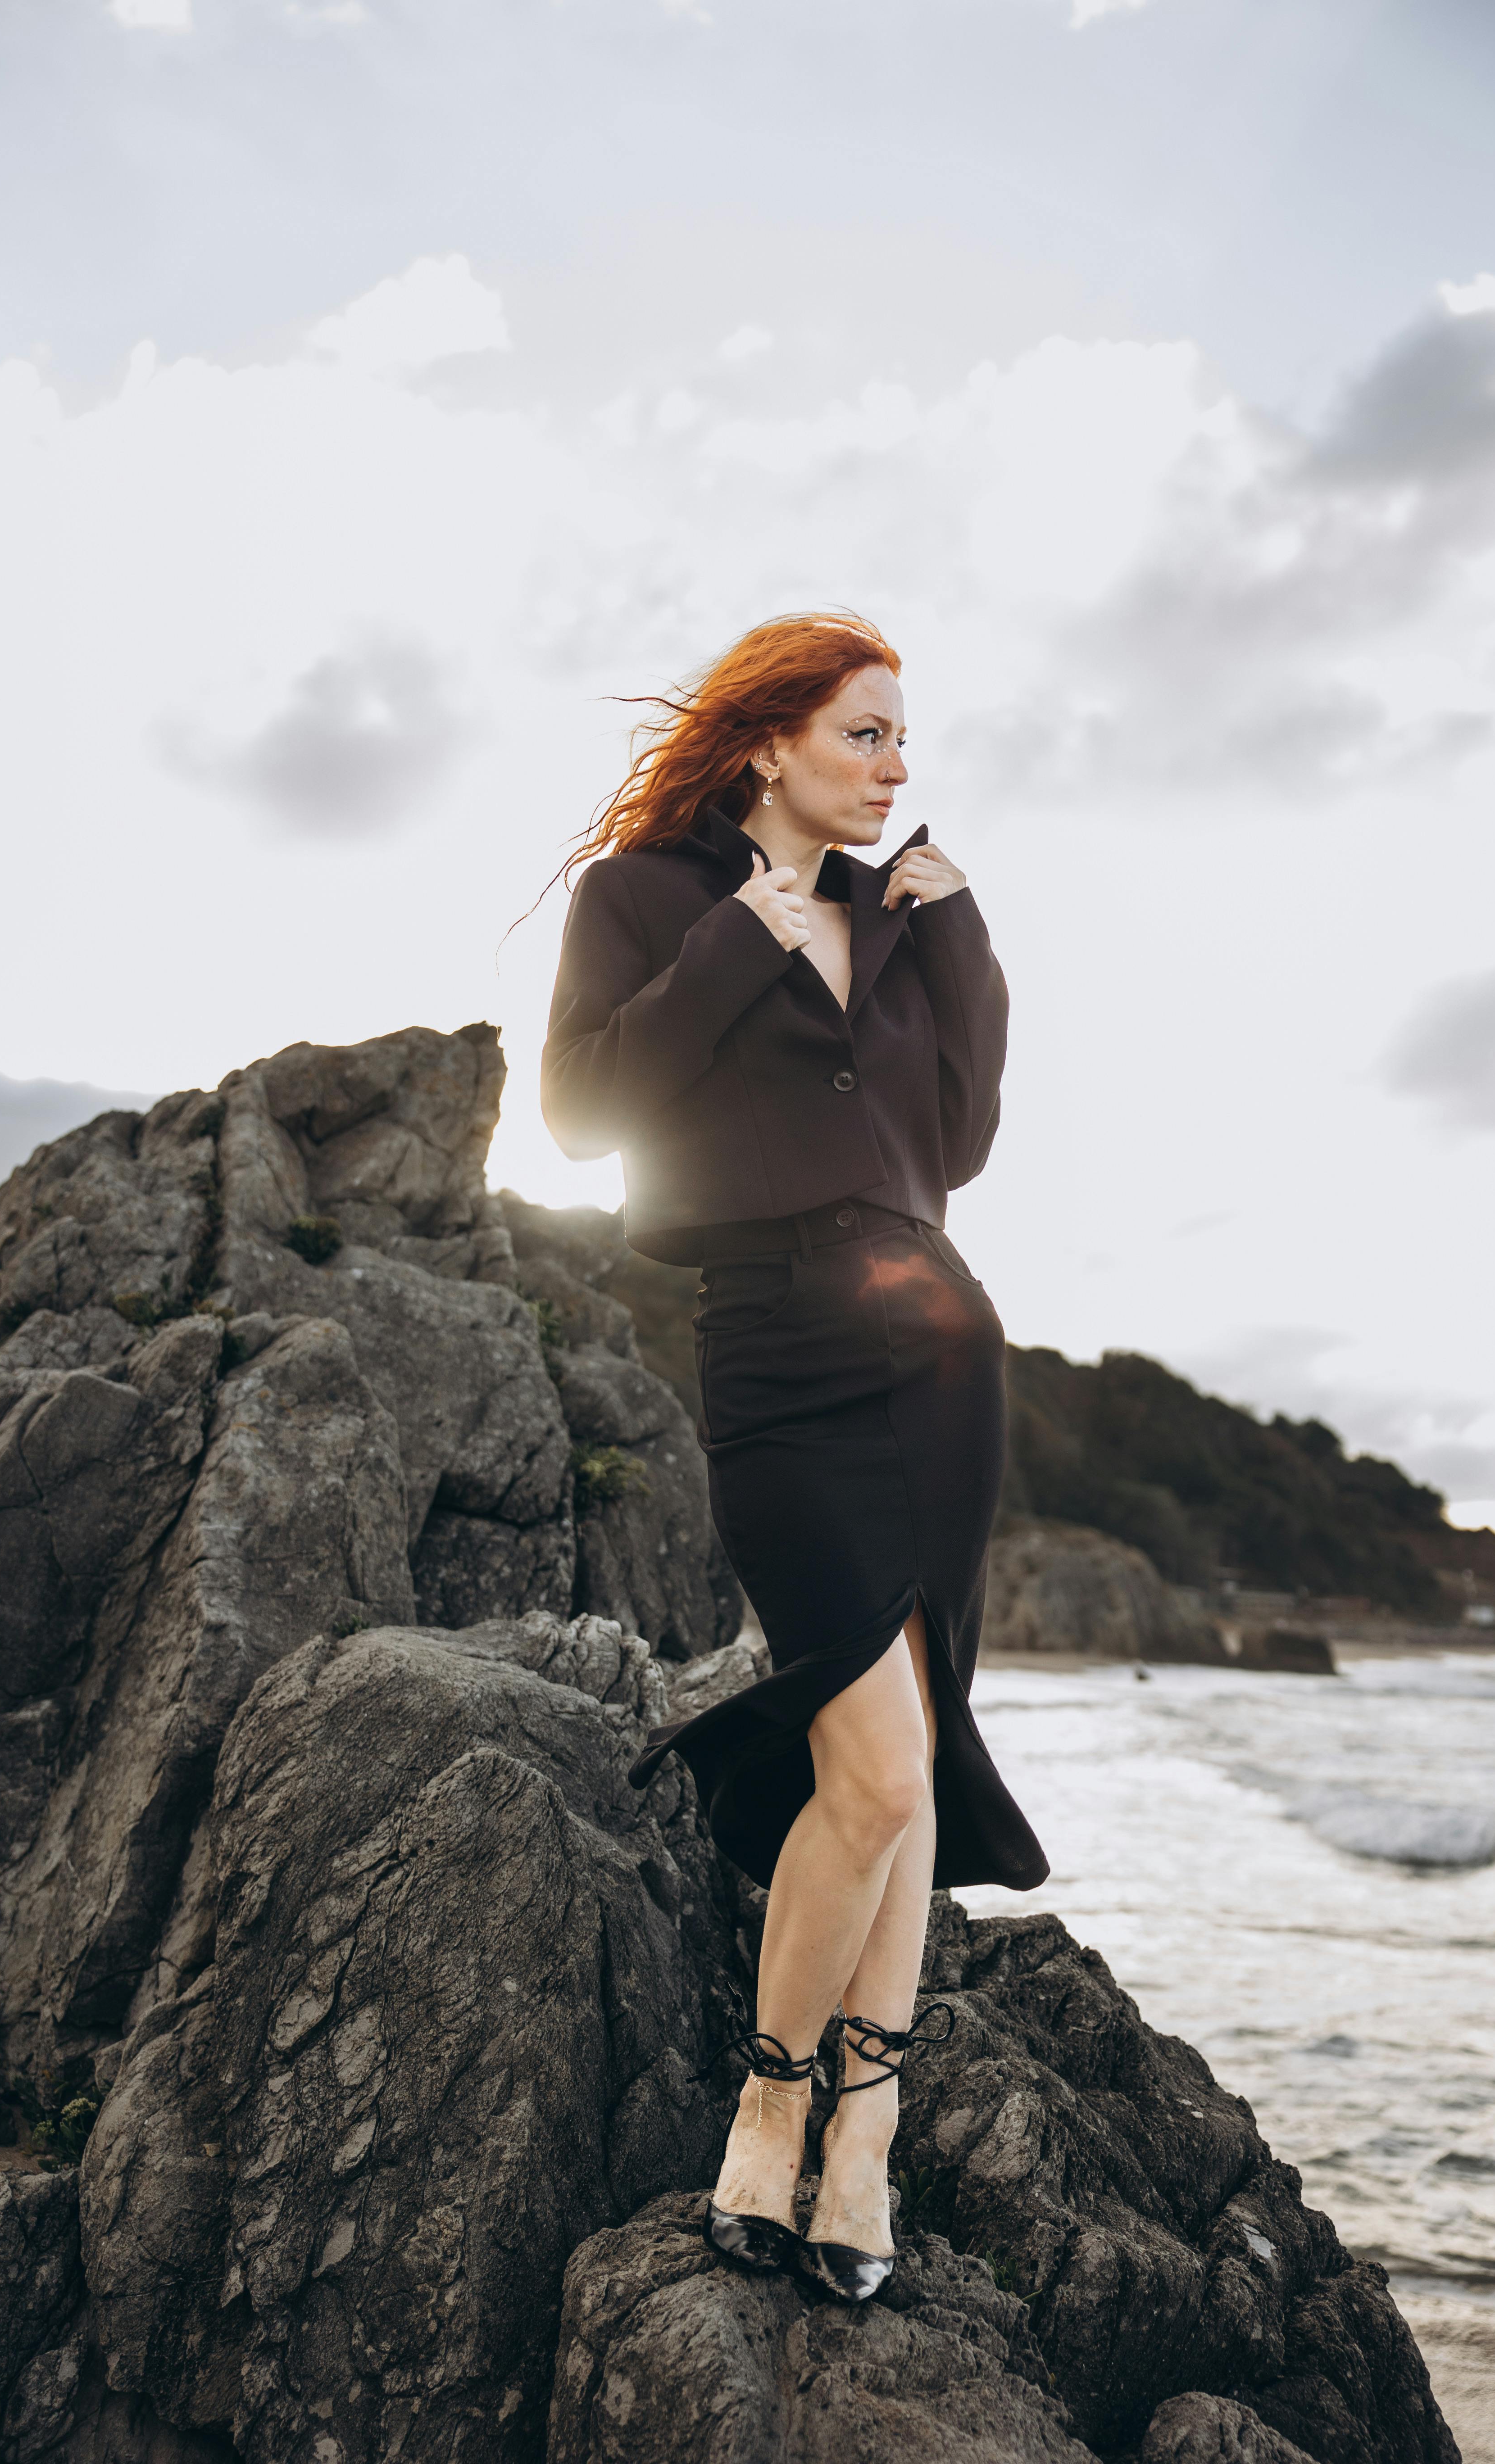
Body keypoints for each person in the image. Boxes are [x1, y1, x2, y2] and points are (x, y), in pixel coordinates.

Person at [542, 611, 1047, 2303]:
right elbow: (582, 1112)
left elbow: (956, 1141)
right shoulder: (648, 903)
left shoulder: (894, 917)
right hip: (770, 1341)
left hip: (940, 1344)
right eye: (867, 736)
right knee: (883, 1765)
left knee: (899, 1769)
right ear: (770, 744)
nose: (897, 768)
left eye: (906, 741)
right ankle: (775, 2109)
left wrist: (957, 934)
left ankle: (868, 2145)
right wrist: (739, 942)